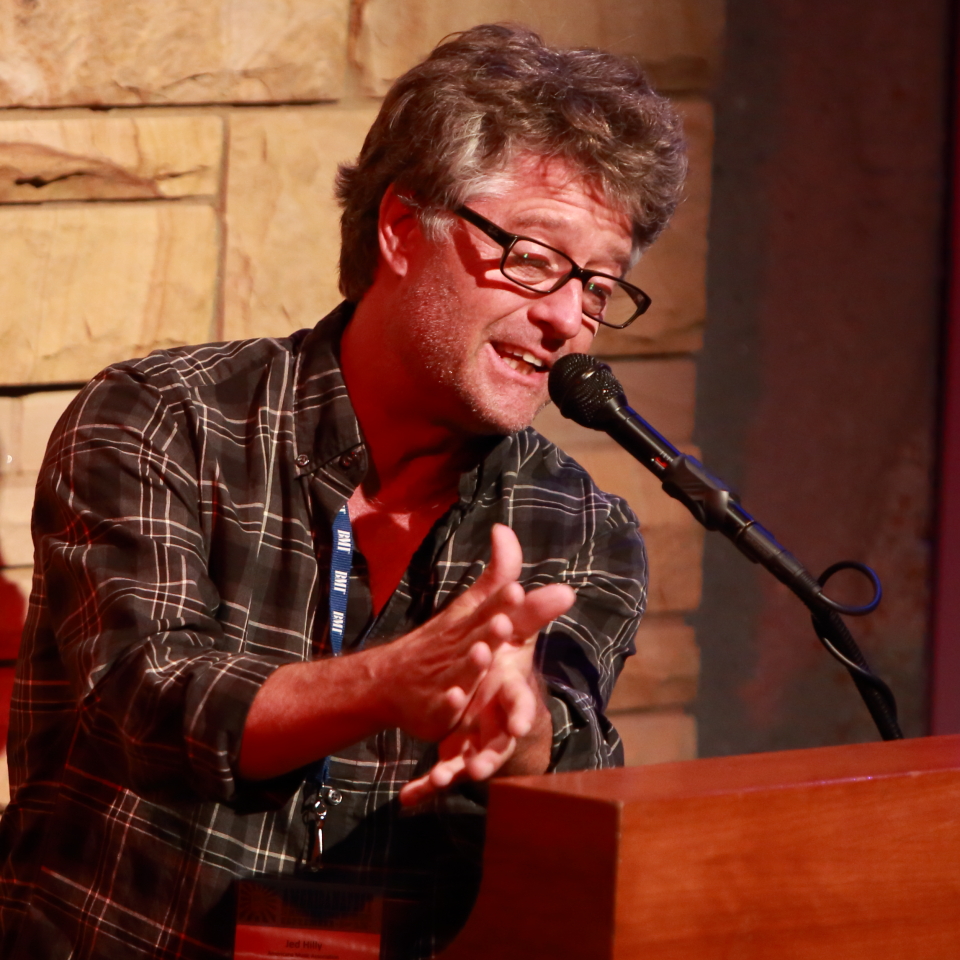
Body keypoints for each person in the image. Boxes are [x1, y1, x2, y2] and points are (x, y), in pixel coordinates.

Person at [0, 23, 686, 960]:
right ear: (401, 228)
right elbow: (149, 701)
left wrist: (520, 728)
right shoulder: (165, 419)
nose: (569, 317)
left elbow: (571, 764)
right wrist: (389, 683)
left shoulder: (583, 529)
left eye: (600, 286)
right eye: (534, 257)